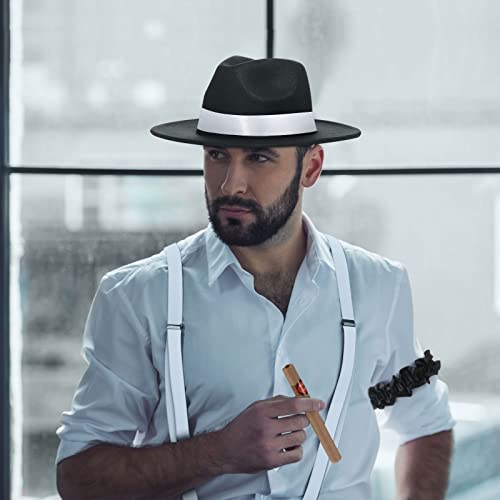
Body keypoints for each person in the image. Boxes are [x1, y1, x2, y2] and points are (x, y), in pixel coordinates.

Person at [55, 55, 456, 500]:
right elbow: (79, 478)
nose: (231, 183)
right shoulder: (137, 298)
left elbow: (426, 423)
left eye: (259, 158)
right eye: (217, 155)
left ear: (311, 168)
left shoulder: (378, 288)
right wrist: (217, 453)